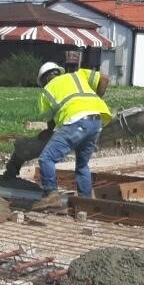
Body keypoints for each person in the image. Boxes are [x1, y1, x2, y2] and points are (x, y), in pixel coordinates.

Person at [30, 61, 112, 206]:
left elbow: (50, 119)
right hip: (96, 121)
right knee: (82, 165)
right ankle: (85, 203)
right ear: (58, 72)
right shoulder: (78, 75)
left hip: (76, 122)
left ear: (44, 80)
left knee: (46, 158)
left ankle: (51, 194)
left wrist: (49, 132)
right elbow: (104, 78)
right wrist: (97, 99)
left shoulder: (47, 90)